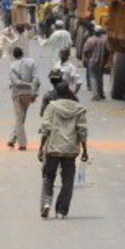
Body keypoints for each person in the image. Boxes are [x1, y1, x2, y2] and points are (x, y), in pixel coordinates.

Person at [38, 81, 88, 219]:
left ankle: (46, 203)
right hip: (70, 150)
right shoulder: (79, 108)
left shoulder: (52, 107)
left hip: (53, 148)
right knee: (68, 180)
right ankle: (61, 210)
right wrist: (85, 151)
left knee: (48, 177)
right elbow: (82, 131)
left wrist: (41, 147)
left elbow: (46, 128)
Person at [8, 46, 39, 150]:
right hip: (28, 94)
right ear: (22, 53)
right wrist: (34, 92)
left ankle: (22, 144)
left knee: (19, 117)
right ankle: (12, 138)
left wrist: (25, 84)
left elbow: (15, 82)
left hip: (17, 94)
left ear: (13, 56)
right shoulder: (32, 62)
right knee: (21, 117)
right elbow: (36, 78)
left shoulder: (12, 66)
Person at [82, 25, 109, 101]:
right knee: (100, 78)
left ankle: (95, 95)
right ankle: (101, 94)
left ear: (94, 32)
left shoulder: (90, 40)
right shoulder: (104, 41)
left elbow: (85, 51)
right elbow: (107, 52)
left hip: (91, 62)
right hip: (101, 62)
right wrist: (106, 61)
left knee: (93, 78)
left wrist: (85, 60)